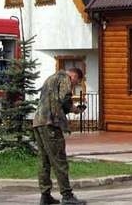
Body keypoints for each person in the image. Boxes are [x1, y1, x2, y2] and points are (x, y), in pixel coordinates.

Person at [33, 68, 87, 205]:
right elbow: (64, 98)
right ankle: (67, 195)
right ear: (74, 76)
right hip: (51, 123)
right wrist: (73, 108)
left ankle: (45, 196)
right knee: (59, 160)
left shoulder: (51, 78)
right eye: (77, 82)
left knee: (44, 160)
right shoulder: (65, 78)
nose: (74, 85)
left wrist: (73, 109)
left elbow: (53, 100)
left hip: (38, 122)